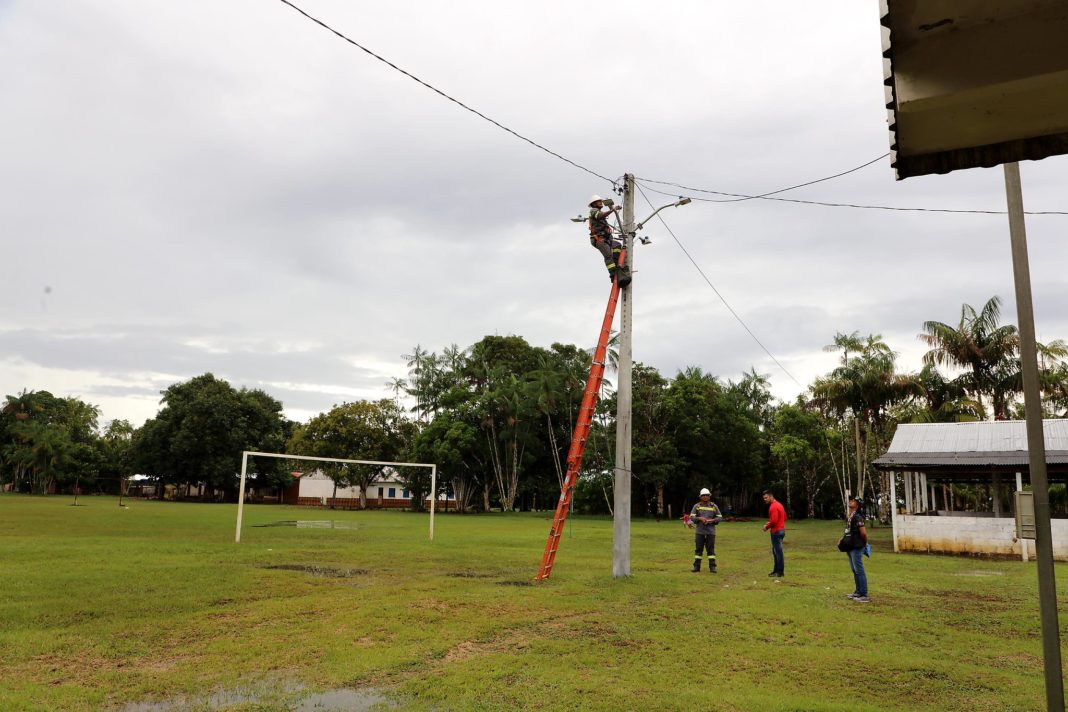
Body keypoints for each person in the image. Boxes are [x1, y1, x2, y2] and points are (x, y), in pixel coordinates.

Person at [587, 195, 630, 286]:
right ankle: (613, 274)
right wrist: (613, 210)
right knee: (608, 256)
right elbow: (601, 215)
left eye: (600, 201)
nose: (601, 202)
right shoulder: (593, 211)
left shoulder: (598, 211)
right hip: (599, 239)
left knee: (617, 245)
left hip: (606, 238)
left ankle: (616, 263)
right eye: (598, 201)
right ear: (593, 204)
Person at [689, 488, 723, 573]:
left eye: (707, 495)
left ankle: (712, 567)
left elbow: (720, 517)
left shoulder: (714, 506)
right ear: (700, 497)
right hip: (699, 532)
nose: (705, 497)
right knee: (698, 549)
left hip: (710, 532)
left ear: (709, 496)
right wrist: (700, 518)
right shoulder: (697, 506)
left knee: (710, 550)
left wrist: (712, 520)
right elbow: (691, 517)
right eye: (703, 495)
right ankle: (696, 567)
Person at [844, 496, 870, 603]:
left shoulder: (858, 517)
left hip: (857, 546)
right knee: (854, 569)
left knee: (859, 570)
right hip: (850, 546)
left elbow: (863, 533)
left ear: (857, 505)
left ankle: (864, 594)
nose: (851, 501)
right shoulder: (851, 516)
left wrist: (865, 543)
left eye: (854, 501)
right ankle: (858, 591)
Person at [762, 490, 786, 577]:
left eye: (766, 498)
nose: (765, 499)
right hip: (781, 531)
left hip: (776, 532)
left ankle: (779, 572)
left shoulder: (773, 506)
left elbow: (774, 521)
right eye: (764, 498)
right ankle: (776, 571)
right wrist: (771, 523)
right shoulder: (779, 505)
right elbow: (785, 517)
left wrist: (766, 527)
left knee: (777, 552)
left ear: (771, 496)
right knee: (776, 551)